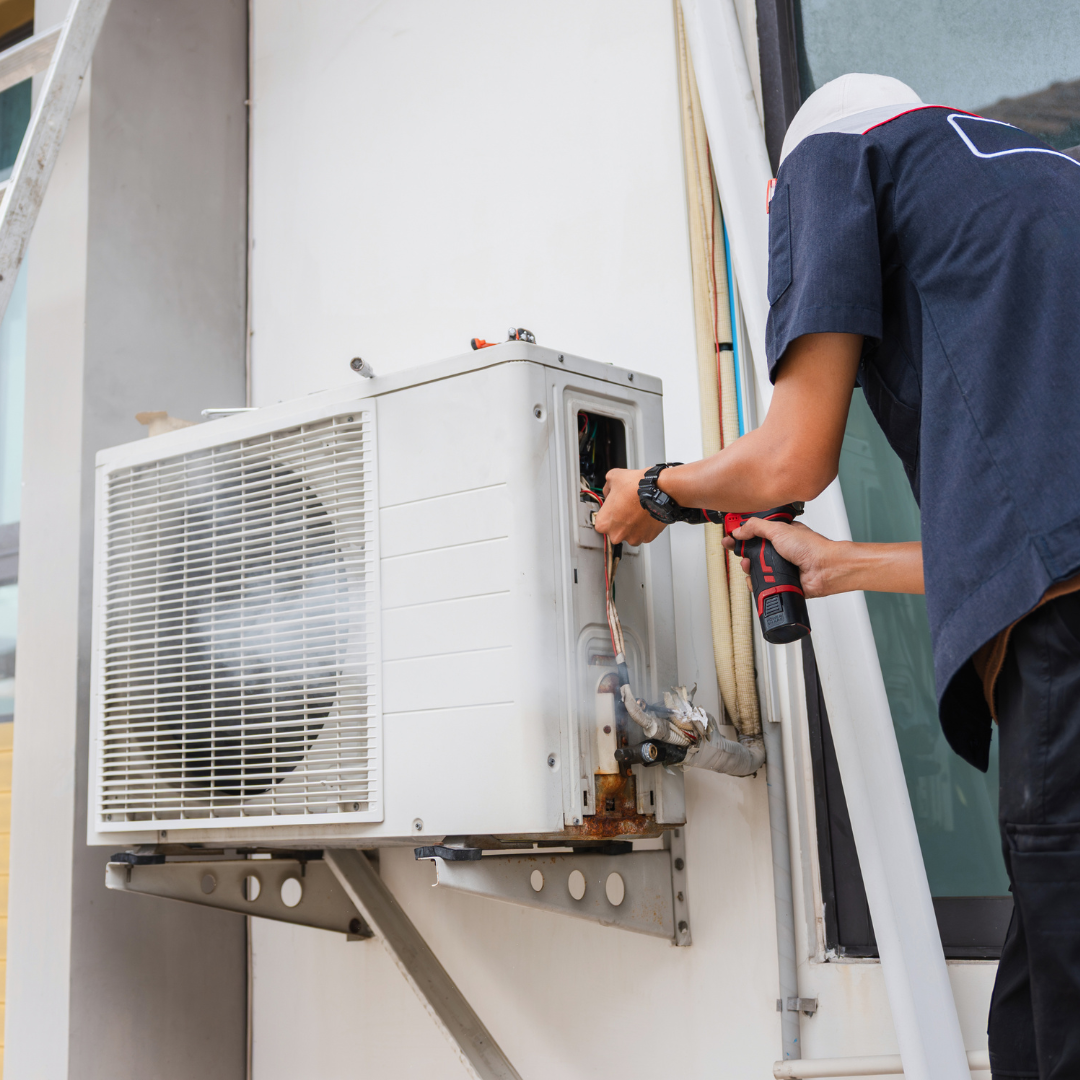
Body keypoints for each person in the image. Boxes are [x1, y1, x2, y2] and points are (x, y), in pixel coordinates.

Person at [594, 73, 1080, 1079]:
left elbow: (790, 460)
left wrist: (656, 489)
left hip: (1067, 671)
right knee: (1038, 1021)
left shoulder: (838, 161)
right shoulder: (1040, 188)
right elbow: (1039, 542)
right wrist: (842, 564)